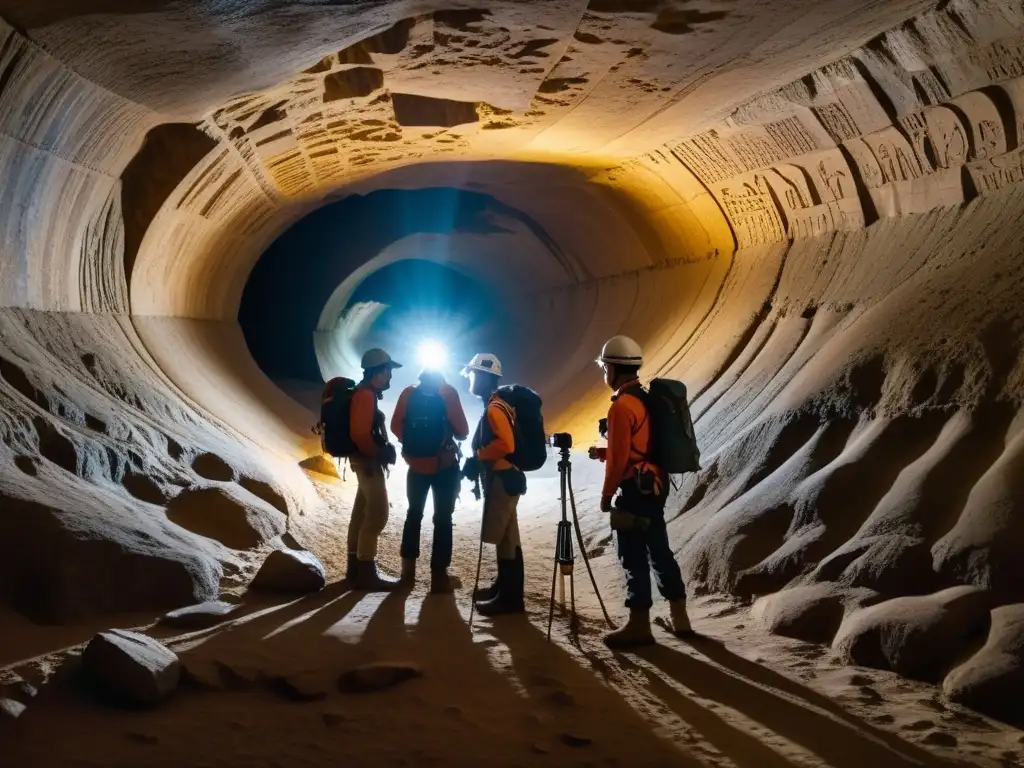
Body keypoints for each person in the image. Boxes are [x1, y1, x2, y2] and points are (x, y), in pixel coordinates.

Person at [593, 335, 693, 648]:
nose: (604, 373)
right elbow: (639, 447)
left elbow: (621, 460)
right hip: (655, 485)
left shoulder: (621, 407)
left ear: (613, 368)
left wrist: (606, 495)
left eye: (605, 367)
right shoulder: (645, 398)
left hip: (635, 491)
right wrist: (605, 452)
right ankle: (681, 620)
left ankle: (639, 626)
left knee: (633, 555)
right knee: (660, 552)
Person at [390, 368, 469, 593]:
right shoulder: (448, 393)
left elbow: (396, 425)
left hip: (416, 467)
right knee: (443, 518)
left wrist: (413, 444)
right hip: (443, 466)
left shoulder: (408, 393)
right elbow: (463, 430)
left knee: (413, 514)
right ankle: (438, 577)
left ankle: (408, 574)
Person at [461, 353, 526, 617]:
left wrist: (478, 458)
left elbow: (505, 444)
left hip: (502, 477)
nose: (469, 378)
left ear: (484, 377)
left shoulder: (494, 408)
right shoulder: (499, 404)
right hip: (507, 477)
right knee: (508, 537)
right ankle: (505, 589)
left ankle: (510, 599)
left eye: (473, 374)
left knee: (505, 538)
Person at [347, 348, 402, 591]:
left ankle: (355, 567)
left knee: (361, 511)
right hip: (367, 461)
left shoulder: (365, 393)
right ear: (377, 372)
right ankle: (366, 571)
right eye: (388, 371)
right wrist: (378, 453)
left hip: (363, 460)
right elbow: (360, 433)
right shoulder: (366, 395)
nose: (390, 376)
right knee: (378, 513)